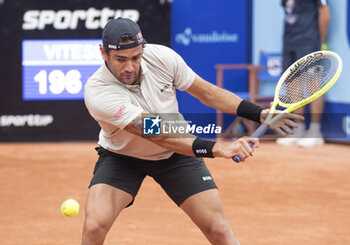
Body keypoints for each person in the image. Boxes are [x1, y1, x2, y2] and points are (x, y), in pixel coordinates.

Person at [82, 18, 303, 245]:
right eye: (120, 59)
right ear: (104, 53)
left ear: (143, 50)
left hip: (176, 156)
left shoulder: (163, 58)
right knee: (93, 227)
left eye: (135, 57)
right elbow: (158, 133)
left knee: (218, 229)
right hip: (123, 158)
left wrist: (257, 113)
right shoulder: (98, 91)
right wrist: (219, 149)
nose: (129, 67)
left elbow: (206, 92)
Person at [277, 0, 331, 147]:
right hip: (289, 42)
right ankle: (298, 128)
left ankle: (315, 131)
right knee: (292, 84)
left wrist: (317, 41)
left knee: (313, 84)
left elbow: (325, 14)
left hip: (309, 41)